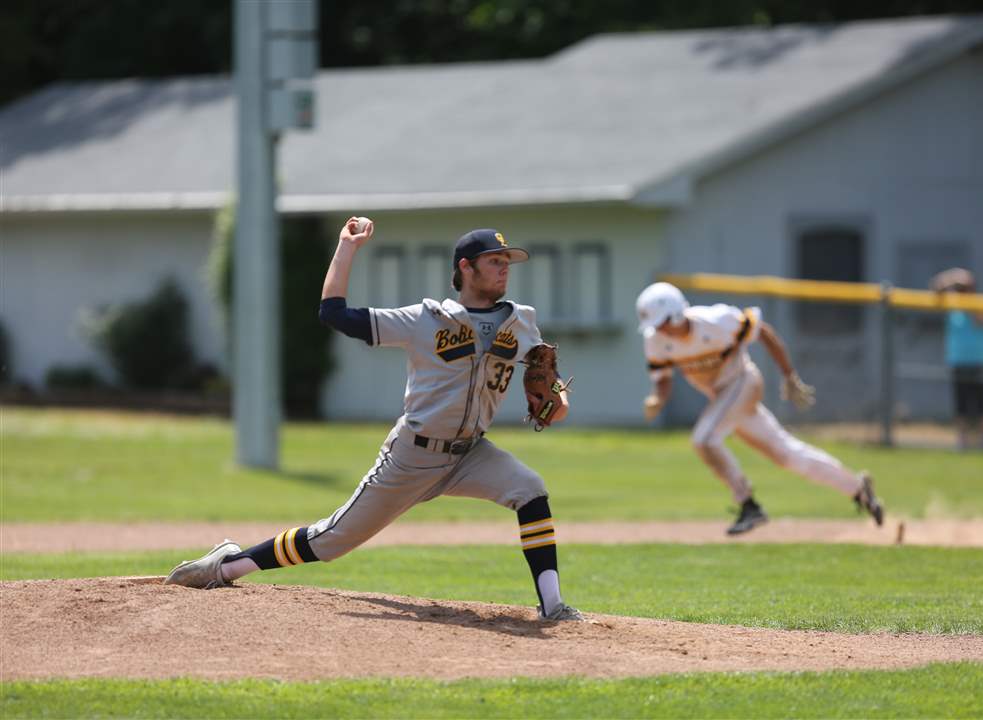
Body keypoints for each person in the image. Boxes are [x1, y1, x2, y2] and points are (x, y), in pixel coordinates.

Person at [166, 217, 583, 622]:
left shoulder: (521, 320)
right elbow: (334, 314)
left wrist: (557, 397)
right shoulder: (426, 319)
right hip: (412, 456)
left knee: (530, 489)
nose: (504, 267)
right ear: (465, 267)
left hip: (471, 454)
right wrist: (347, 248)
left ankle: (552, 606)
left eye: (507, 260)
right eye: (495, 260)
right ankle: (226, 566)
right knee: (329, 541)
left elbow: (548, 379)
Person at [635, 282, 884, 535]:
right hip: (723, 399)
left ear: (676, 312)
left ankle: (748, 504)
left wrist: (789, 376)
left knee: (704, 439)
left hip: (744, 383)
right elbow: (662, 377)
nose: (659, 329)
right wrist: (658, 398)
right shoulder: (655, 341)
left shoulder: (716, 321)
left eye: (662, 322)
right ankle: (857, 488)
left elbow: (763, 332)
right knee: (786, 454)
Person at [930, 268, 983, 450]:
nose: (962, 290)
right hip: (958, 360)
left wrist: (969, 291)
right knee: (961, 405)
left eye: (965, 287)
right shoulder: (952, 304)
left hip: (979, 361)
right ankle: (963, 443)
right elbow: (935, 287)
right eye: (960, 288)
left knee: (982, 405)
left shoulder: (979, 303)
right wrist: (954, 277)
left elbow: (982, 319)